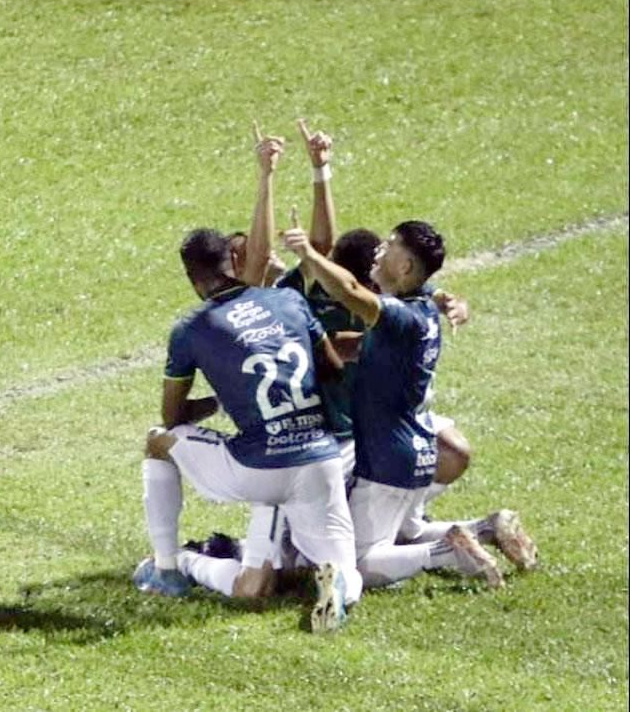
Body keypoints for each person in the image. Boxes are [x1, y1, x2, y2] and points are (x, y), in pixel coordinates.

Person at [133, 129, 363, 633]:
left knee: (157, 441)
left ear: (195, 280)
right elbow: (330, 367)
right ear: (234, 263)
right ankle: (338, 588)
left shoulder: (191, 328)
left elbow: (173, 418)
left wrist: (219, 398)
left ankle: (168, 568)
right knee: (346, 567)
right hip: (322, 457)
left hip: (259, 467)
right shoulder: (290, 300)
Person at [280, 219, 534, 589]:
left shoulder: (399, 316)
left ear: (405, 267)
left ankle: (449, 552)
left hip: (387, 458)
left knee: (357, 563)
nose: (380, 250)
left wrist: (308, 254)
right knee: (407, 530)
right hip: (414, 450)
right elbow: (359, 341)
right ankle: (486, 528)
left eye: (390, 244)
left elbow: (351, 289)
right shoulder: (422, 307)